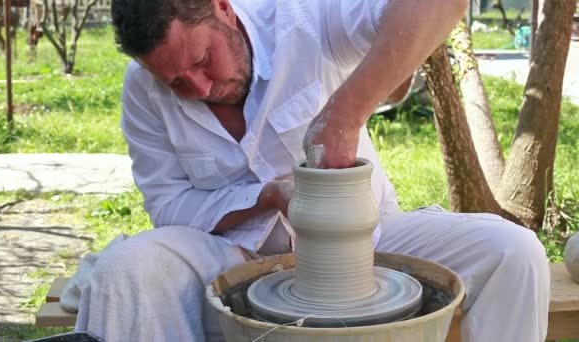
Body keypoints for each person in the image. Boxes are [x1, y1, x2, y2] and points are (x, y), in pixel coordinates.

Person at [74, 0, 550, 341]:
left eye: (203, 61)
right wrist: (267, 197)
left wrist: (345, 114)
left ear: (222, 8)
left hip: (367, 242)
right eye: (175, 81)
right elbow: (169, 206)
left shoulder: (300, 17)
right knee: (127, 269)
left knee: (513, 250)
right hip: (231, 255)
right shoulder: (143, 90)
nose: (198, 87)